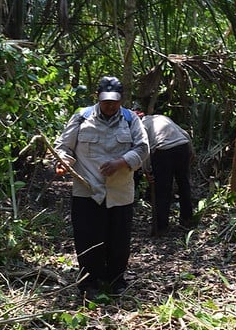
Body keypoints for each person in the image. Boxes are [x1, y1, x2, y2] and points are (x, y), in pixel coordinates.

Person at [53, 76, 149, 298]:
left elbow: (143, 148)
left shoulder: (131, 119)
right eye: (106, 101)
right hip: (87, 190)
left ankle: (116, 280)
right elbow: (63, 146)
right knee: (87, 237)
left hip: (120, 192)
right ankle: (89, 282)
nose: (110, 105)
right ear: (97, 97)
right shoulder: (81, 117)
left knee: (119, 239)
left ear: (121, 99)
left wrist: (121, 162)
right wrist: (64, 161)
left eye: (114, 101)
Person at [140, 113, 195, 236]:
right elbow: (185, 134)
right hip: (182, 146)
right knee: (184, 183)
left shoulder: (142, 125)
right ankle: (187, 218)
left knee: (163, 190)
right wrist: (191, 151)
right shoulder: (163, 118)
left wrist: (146, 170)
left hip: (163, 151)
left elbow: (144, 147)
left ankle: (161, 226)